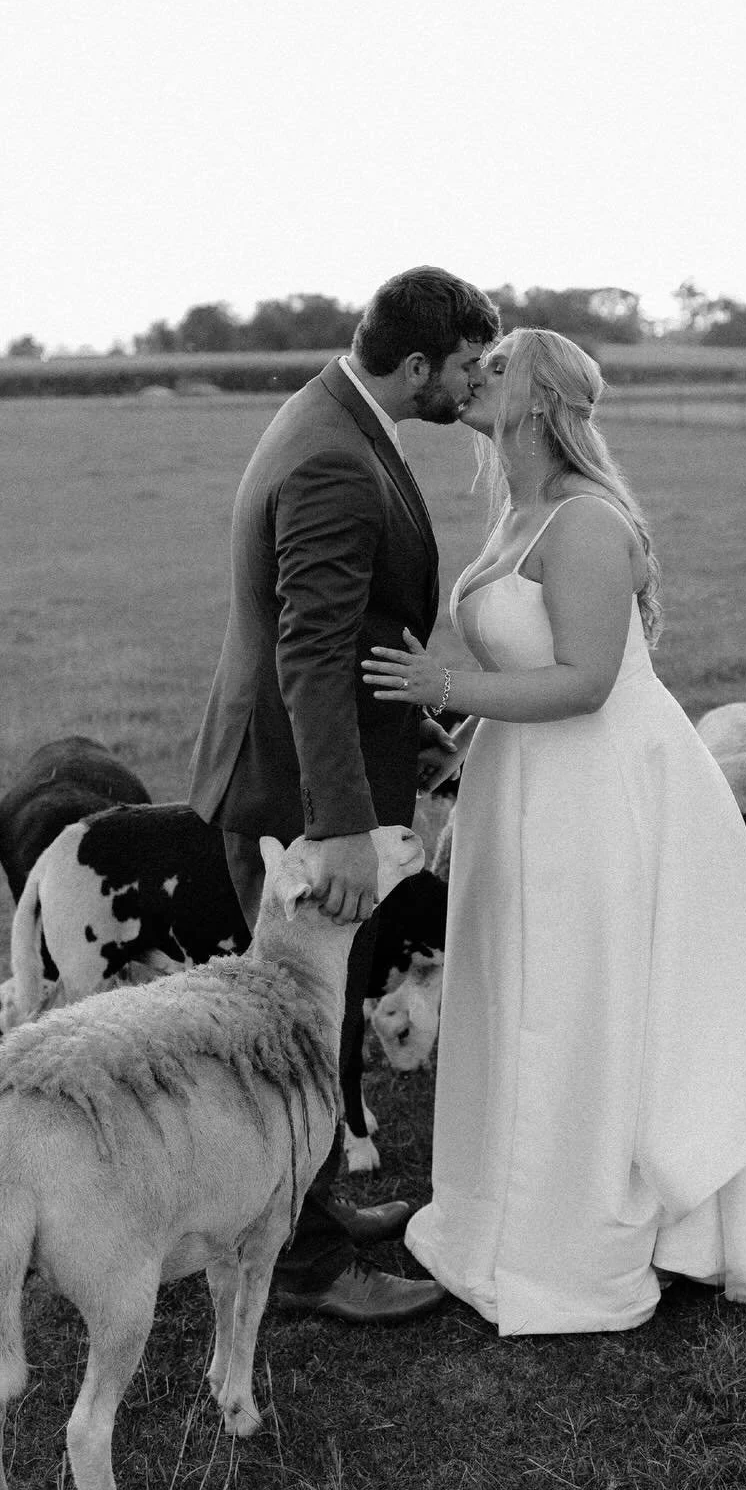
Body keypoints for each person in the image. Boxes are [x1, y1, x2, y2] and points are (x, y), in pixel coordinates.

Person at [362, 328, 746, 1335]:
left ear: (540, 396)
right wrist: (456, 727)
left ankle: (588, 1239)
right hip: (525, 778)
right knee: (522, 990)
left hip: (597, 791)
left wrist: (445, 683)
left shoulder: (584, 523)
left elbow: (587, 682)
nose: (474, 374)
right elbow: (533, 663)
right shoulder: (521, 513)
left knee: (584, 997)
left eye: (496, 364)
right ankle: (506, 1213)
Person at [188, 266, 501, 1323]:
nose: (472, 383)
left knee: (318, 1026)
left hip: (316, 774)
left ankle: (319, 1214)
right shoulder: (332, 458)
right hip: (298, 803)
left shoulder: (337, 414)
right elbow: (312, 655)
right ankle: (308, 1267)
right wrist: (341, 833)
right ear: (417, 364)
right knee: (297, 1036)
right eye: (464, 365)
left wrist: (414, 728)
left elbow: (351, 629)